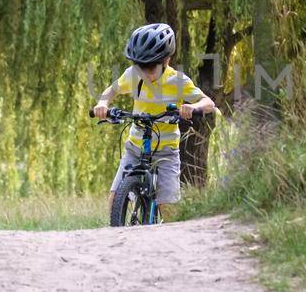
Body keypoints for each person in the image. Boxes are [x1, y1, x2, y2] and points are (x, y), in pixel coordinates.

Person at [91, 23, 215, 216]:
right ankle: (116, 238)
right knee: (115, 198)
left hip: (166, 152)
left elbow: (208, 103)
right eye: (141, 66)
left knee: (168, 208)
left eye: (150, 67)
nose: (145, 72)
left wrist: (193, 107)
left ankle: (166, 240)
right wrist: (103, 104)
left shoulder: (178, 81)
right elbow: (112, 90)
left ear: (166, 60)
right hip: (135, 147)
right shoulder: (132, 75)